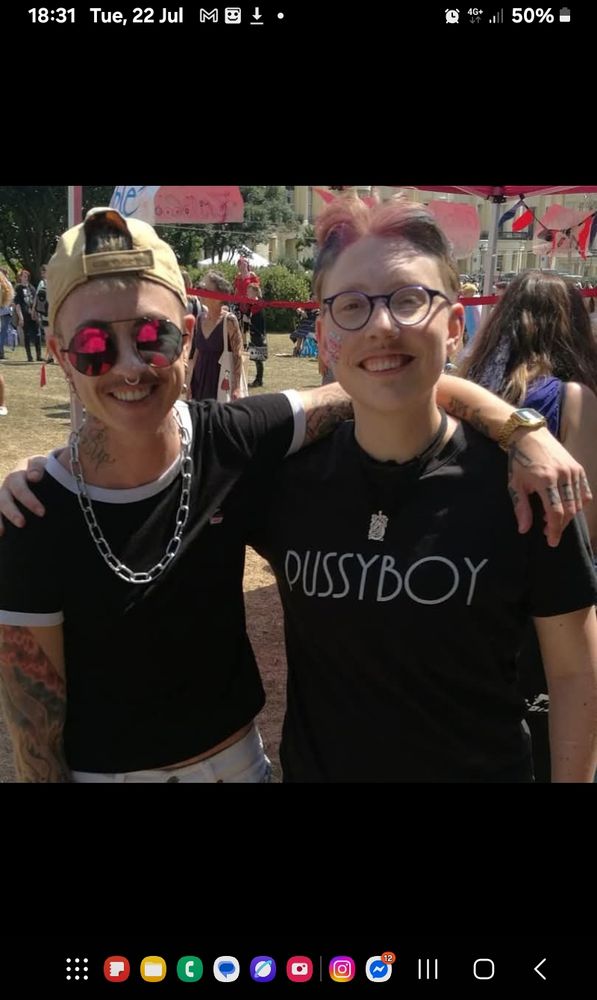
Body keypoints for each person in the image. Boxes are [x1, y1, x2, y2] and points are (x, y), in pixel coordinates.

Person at [0, 209, 594, 783]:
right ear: (60, 353)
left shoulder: (237, 446)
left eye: (152, 335)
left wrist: (518, 427)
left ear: (185, 336)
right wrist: (46, 475)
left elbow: (386, 379)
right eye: (96, 346)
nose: (129, 366)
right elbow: (34, 730)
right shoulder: (39, 512)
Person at [245, 194, 597, 782]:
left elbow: (573, 672)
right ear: (327, 332)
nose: (382, 326)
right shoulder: (285, 480)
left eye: (409, 300)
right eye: (352, 306)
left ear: (455, 326)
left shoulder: (522, 485)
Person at [459, 269, 597, 781]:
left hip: (469, 591)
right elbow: (585, 526)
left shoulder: (472, 394)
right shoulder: (573, 398)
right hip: (545, 615)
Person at [187, 271, 243, 401]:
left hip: (220, 382)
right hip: (199, 381)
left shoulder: (229, 321)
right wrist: (190, 381)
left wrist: (237, 387)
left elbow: (237, 354)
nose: (199, 291)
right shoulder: (200, 319)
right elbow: (197, 352)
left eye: (204, 289)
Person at [14, 269, 42, 362]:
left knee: (37, 335)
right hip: (24, 314)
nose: (26, 278)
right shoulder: (18, 289)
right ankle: (29, 356)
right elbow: (17, 304)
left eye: (27, 276)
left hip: (33, 314)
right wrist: (20, 317)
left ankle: (39, 356)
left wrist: (35, 313)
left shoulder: (31, 287)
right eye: (24, 276)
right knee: (27, 335)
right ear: (20, 277)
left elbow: (35, 301)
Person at [233, 257, 260, 348]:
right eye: (241, 263)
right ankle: (244, 344)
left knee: (248, 323)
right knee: (240, 324)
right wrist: (233, 299)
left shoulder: (252, 275)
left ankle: (252, 342)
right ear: (239, 266)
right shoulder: (238, 276)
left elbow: (257, 288)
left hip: (249, 303)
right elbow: (236, 290)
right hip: (239, 303)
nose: (243, 265)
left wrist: (256, 299)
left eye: (245, 263)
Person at [246, 282, 267, 387]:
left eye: (249, 292)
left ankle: (259, 380)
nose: (247, 294)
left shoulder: (258, 304)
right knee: (256, 358)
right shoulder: (253, 305)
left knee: (258, 358)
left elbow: (258, 320)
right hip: (254, 333)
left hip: (258, 334)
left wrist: (249, 320)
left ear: (255, 292)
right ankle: (258, 379)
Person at [33, 264, 52, 362]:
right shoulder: (53, 282)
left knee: (49, 334)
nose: (42, 274)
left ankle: (51, 356)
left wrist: (34, 310)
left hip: (47, 312)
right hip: (48, 312)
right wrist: (34, 310)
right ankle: (51, 356)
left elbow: (36, 298)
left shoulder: (44, 283)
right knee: (50, 334)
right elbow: (37, 298)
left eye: (43, 272)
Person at [0, 268, 14, 361]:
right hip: (6, 310)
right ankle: (0, 352)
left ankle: (1, 352)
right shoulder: (7, 284)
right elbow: (11, 297)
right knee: (3, 333)